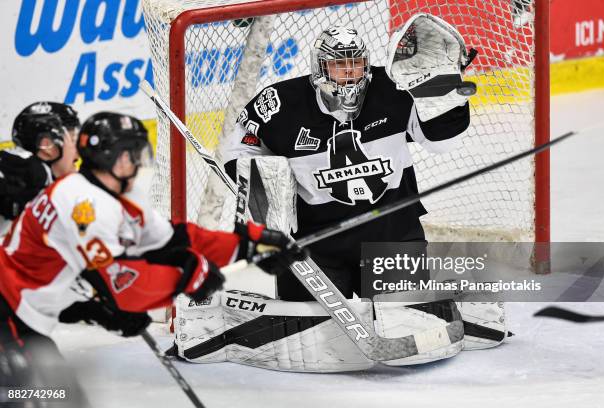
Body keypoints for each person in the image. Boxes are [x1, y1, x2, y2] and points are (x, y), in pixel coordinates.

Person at [0, 111, 301, 395]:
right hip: (8, 311)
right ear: (109, 158)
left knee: (54, 395)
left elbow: (176, 239)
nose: (138, 163)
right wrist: (185, 279)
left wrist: (247, 243)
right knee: (40, 395)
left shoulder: (114, 196)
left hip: (22, 312)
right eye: (131, 154)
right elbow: (126, 287)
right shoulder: (83, 204)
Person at [221, 22, 472, 302]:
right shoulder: (281, 104)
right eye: (340, 66)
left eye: (357, 65)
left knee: (405, 320)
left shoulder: (394, 88)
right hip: (315, 243)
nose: (351, 74)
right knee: (313, 336)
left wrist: (447, 95)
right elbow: (240, 147)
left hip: (391, 233)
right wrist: (262, 188)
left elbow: (439, 142)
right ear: (320, 68)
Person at [0, 102, 81, 237]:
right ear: (48, 146)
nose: (79, 153)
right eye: (73, 140)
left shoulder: (45, 179)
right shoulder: (31, 172)